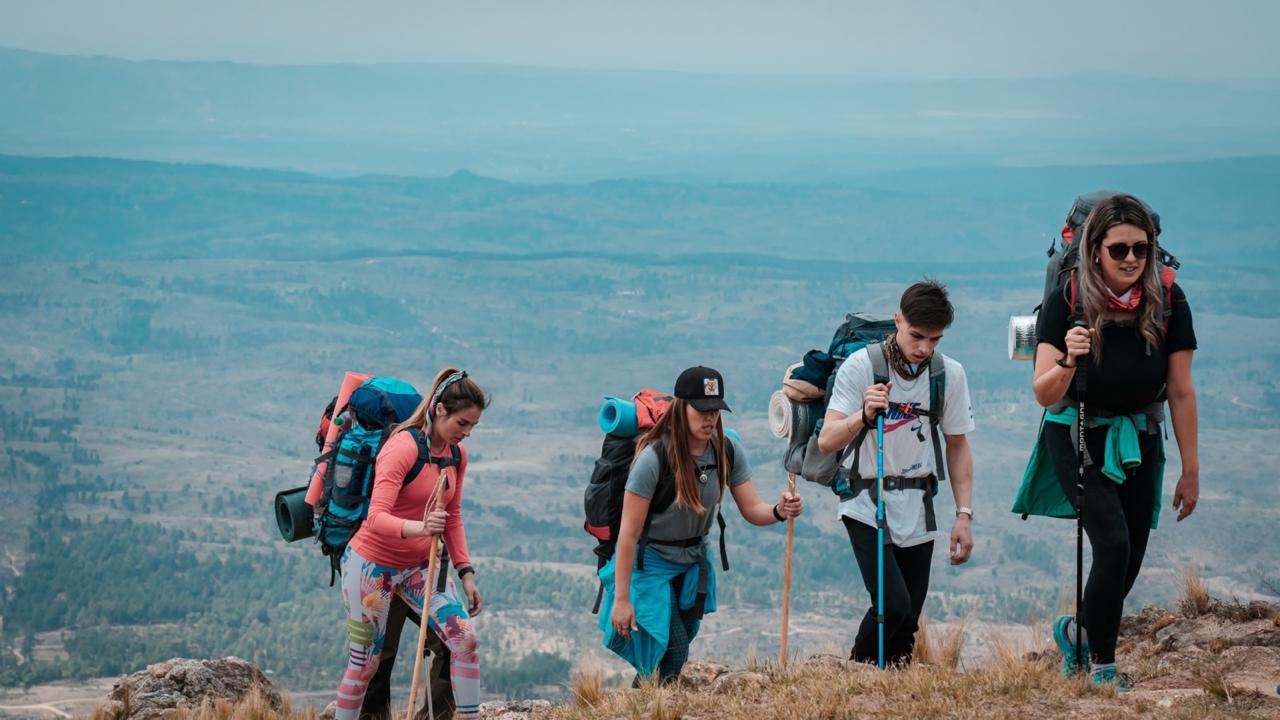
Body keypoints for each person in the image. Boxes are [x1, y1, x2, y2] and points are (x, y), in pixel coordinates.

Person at [1030, 193, 1198, 690]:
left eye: (1141, 249)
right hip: (1076, 433)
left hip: (1139, 436)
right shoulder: (1069, 297)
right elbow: (1043, 392)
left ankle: (1078, 631)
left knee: (1132, 554)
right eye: (1119, 249)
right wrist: (1067, 360)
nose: (1131, 259)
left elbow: (1182, 391)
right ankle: (1103, 665)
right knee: (1114, 544)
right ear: (1095, 249)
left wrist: (1191, 470)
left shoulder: (1169, 298)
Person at [600, 366, 804, 684]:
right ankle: (654, 706)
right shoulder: (653, 459)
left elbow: (752, 508)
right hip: (650, 565)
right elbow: (628, 534)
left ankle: (648, 705)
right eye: (702, 409)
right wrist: (622, 599)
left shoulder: (726, 450)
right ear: (682, 408)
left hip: (693, 563)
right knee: (675, 649)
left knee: (666, 653)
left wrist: (779, 510)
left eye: (716, 410)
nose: (710, 418)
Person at [817, 280, 975, 666]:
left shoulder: (948, 375)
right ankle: (857, 675)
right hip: (865, 500)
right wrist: (864, 415)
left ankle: (894, 687)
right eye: (916, 336)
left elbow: (958, 445)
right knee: (891, 603)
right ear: (897, 321)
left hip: (919, 502)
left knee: (909, 618)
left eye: (934, 340)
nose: (923, 348)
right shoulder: (862, 368)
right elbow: (827, 440)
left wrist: (964, 514)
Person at [333, 368, 488, 720]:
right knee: (364, 664)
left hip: (422, 568)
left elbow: (454, 515)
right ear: (439, 410)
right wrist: (420, 528)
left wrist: (466, 571)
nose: (466, 434)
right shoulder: (401, 447)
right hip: (371, 566)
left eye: (472, 427)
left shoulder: (456, 457)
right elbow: (376, 517)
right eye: (462, 424)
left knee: (465, 641)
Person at [360, 597, 453, 720]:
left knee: (456, 645)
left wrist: (466, 577)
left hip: (426, 584)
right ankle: (373, 717)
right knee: (378, 656)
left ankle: (435, 716)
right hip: (383, 585)